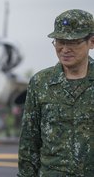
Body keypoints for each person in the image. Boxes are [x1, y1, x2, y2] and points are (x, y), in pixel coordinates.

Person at [18, 9, 94, 176]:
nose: (65, 49)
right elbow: (29, 142)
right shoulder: (40, 83)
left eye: (73, 42)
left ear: (92, 42)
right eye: (59, 41)